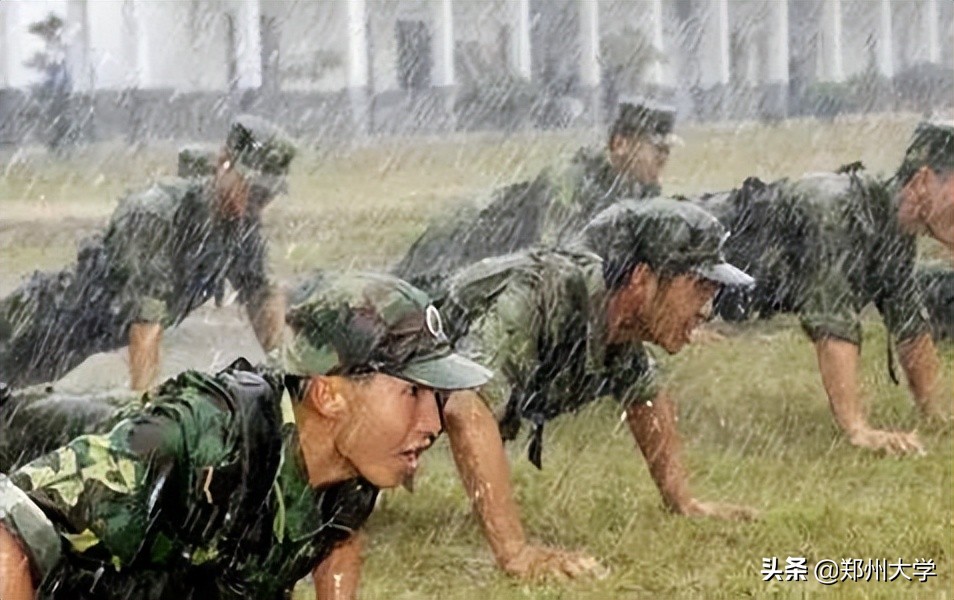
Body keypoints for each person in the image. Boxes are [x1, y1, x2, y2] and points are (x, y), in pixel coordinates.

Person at [0, 271, 492, 599]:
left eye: (436, 397)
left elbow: (338, 538)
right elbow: (8, 532)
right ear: (329, 395)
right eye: (412, 393)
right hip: (28, 434)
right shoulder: (193, 441)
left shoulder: (352, 461)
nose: (432, 423)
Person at [436, 198, 757, 580]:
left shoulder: (620, 322)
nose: (707, 310)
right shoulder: (537, 295)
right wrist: (517, 553)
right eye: (699, 288)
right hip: (375, 376)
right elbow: (466, 409)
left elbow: (646, 395)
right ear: (640, 280)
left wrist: (684, 502)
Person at [695, 121, 953, 454]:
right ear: (923, 182)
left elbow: (910, 326)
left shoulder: (894, 227)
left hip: (729, 287)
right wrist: (858, 428)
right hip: (687, 248)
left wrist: (934, 414)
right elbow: (833, 325)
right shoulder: (836, 210)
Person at [0, 116, 295, 391]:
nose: (258, 202)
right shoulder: (157, 215)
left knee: (16, 400)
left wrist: (285, 374)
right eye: (252, 189)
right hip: (34, 325)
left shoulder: (240, 228)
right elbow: (145, 326)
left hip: (72, 343)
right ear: (224, 164)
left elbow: (261, 295)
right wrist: (147, 409)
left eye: (266, 195)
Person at [393, 99, 678, 293]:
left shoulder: (640, 191)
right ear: (620, 144)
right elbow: (555, 263)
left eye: (667, 149)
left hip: (496, 263)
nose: (664, 157)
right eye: (657, 149)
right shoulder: (570, 182)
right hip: (462, 245)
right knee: (404, 304)